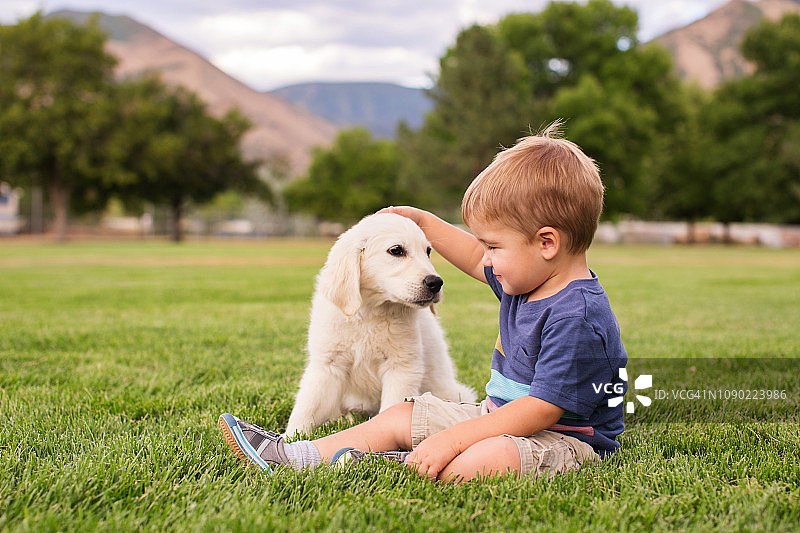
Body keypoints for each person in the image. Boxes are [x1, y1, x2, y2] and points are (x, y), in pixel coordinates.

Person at [219, 122, 627, 482]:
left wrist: (453, 438)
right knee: (398, 415)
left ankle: (390, 463)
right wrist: (424, 222)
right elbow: (469, 256)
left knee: (486, 457)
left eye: (493, 246)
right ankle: (294, 455)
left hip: (567, 439)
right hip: (495, 417)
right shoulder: (528, 278)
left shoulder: (577, 316)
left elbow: (540, 412)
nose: (483, 259)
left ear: (546, 243)